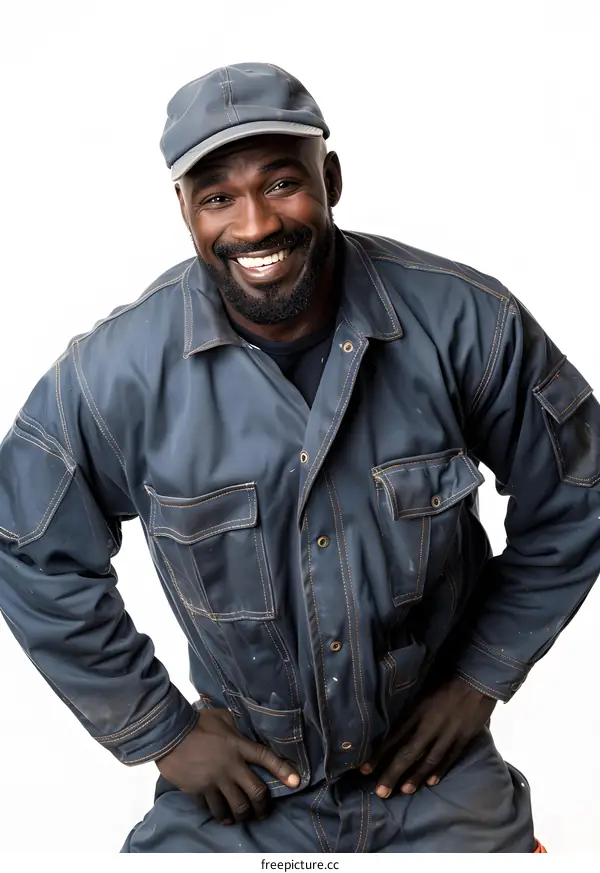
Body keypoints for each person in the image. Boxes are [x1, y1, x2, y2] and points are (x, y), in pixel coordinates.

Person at [0, 62, 593, 854]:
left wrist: (480, 679)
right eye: (217, 197)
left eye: (282, 183)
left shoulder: (467, 324)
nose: (253, 225)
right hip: (244, 785)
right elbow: (27, 544)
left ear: (332, 178)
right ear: (183, 211)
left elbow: (579, 490)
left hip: (432, 770)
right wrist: (164, 734)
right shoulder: (115, 375)